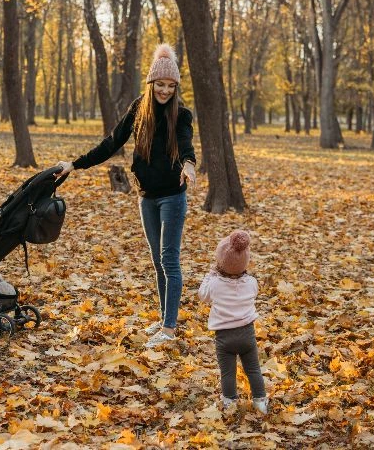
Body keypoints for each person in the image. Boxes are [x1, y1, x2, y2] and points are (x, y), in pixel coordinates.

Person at [55, 44, 196, 348]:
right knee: (157, 262)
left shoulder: (182, 115)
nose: (165, 91)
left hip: (173, 197)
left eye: (171, 86)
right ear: (151, 83)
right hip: (146, 196)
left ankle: (170, 329)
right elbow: (110, 144)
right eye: (161, 85)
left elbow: (186, 144)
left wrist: (189, 165)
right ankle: (164, 318)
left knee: (169, 260)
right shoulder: (137, 109)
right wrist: (74, 164)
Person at [198, 230, 268, 415]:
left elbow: (202, 296)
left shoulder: (214, 284)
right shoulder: (251, 282)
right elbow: (253, 293)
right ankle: (260, 402)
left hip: (224, 337)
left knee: (227, 373)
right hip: (247, 334)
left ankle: (229, 403)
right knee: (253, 369)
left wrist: (209, 275)